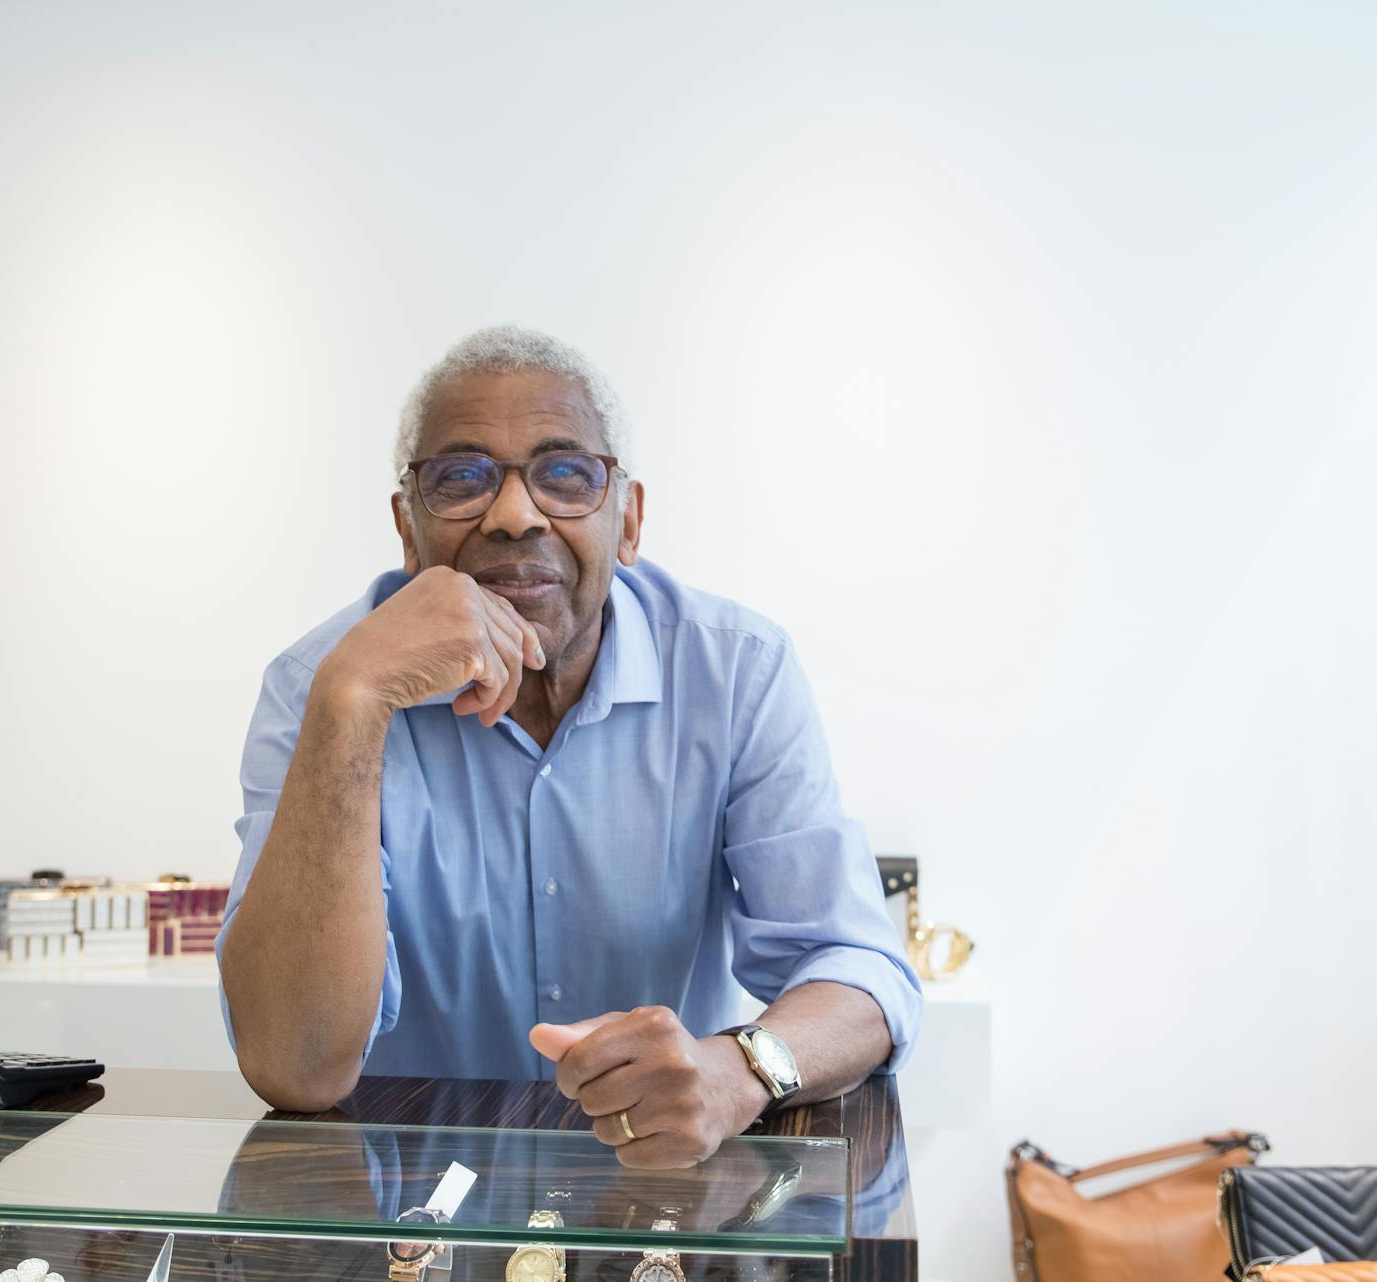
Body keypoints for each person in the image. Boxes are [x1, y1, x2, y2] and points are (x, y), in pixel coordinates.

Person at [218, 326, 921, 1168]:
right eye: (462, 478)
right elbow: (294, 1065)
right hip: (407, 1219)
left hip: (656, 1198)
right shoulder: (317, 688)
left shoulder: (737, 670)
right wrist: (354, 703)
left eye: (564, 474)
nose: (515, 517)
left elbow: (856, 969)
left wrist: (737, 1071)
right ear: (408, 531)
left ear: (628, 520)